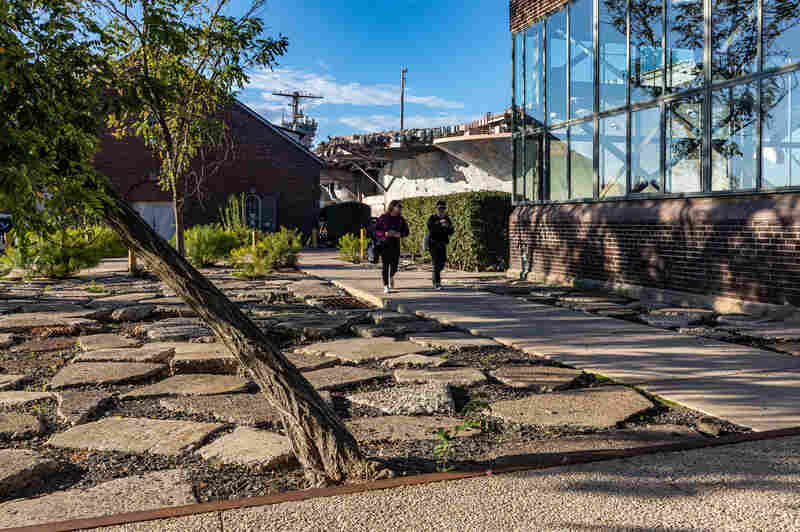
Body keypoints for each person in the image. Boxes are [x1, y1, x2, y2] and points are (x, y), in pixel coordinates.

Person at [375, 200, 409, 293]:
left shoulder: (401, 219)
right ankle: (386, 286)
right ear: (393, 207)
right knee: (385, 265)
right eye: (399, 206)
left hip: (395, 244)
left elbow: (406, 232)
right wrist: (384, 233)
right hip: (385, 244)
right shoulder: (383, 217)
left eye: (401, 207)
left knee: (394, 266)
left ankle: (391, 276)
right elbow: (376, 230)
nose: (400, 208)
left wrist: (400, 234)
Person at [427, 200, 454, 290]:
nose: (441, 210)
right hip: (433, 243)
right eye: (439, 209)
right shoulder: (432, 218)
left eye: (443, 208)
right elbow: (430, 228)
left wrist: (448, 226)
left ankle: (435, 276)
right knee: (435, 263)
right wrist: (439, 223)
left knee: (442, 263)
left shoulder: (447, 219)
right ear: (436, 209)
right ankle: (437, 283)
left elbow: (451, 231)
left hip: (442, 243)